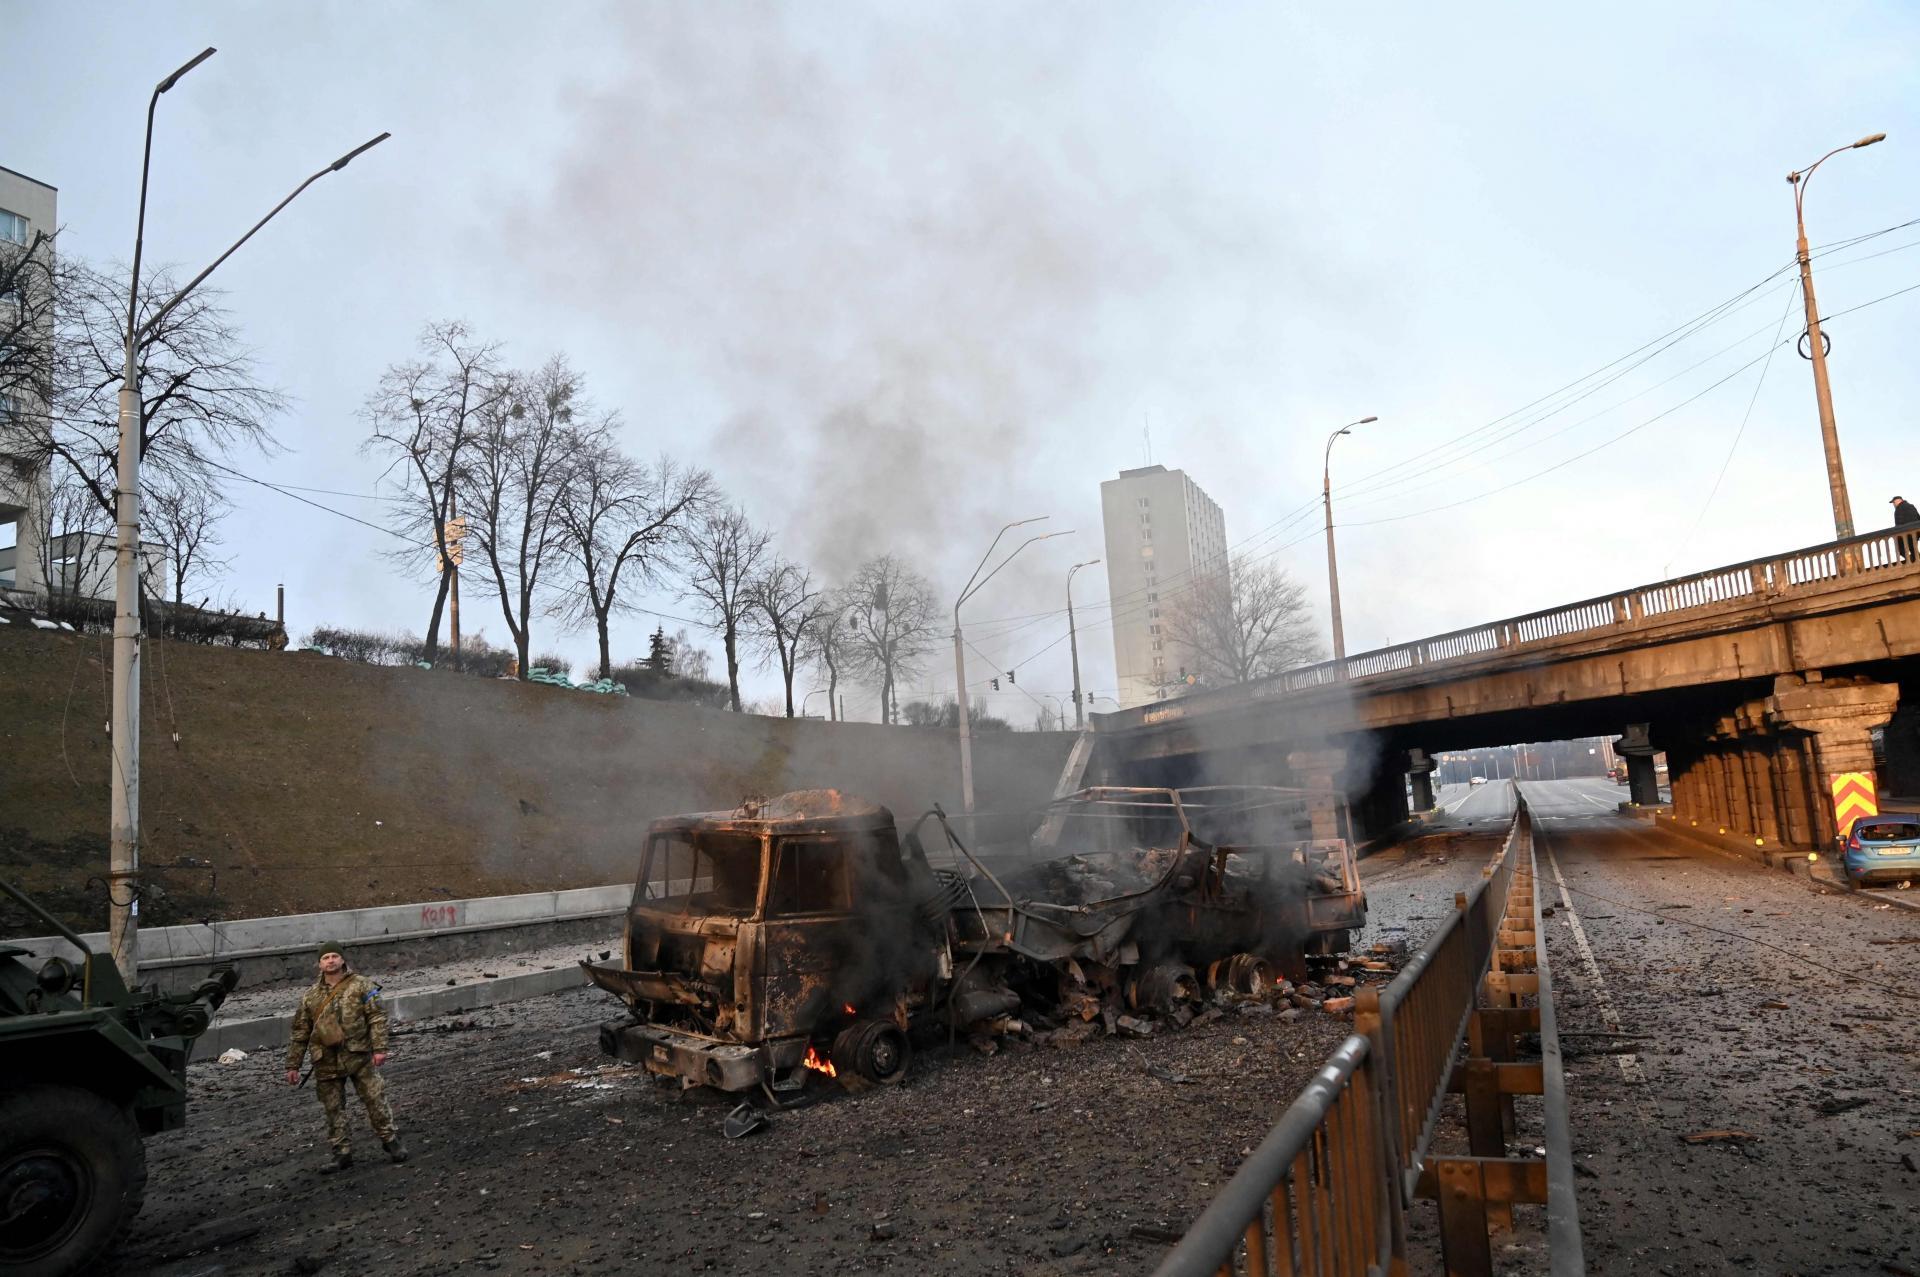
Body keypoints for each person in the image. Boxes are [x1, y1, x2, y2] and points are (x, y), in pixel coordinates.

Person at [285, 940, 408, 1172]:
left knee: (375, 1099)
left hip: (358, 1055)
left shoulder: (361, 985)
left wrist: (380, 1048)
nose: (330, 961)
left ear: (342, 960)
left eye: (334, 956)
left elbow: (377, 1017)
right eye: (325, 958)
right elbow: (300, 1032)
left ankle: (390, 1141)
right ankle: (341, 1153)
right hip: (325, 1060)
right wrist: (293, 1065)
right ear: (319, 964)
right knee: (333, 1108)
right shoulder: (310, 996)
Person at [1894, 495, 1919, 562]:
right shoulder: (1911, 506)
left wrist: (1897, 532)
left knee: (1900, 549)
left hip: (1904, 532)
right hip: (1915, 532)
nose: (1893, 504)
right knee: (1913, 548)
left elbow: (1899, 522)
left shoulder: (1898, 509)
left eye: (1894, 502)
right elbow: (1918, 517)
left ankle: (1911, 561)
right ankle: (1914, 560)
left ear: (1898, 501)